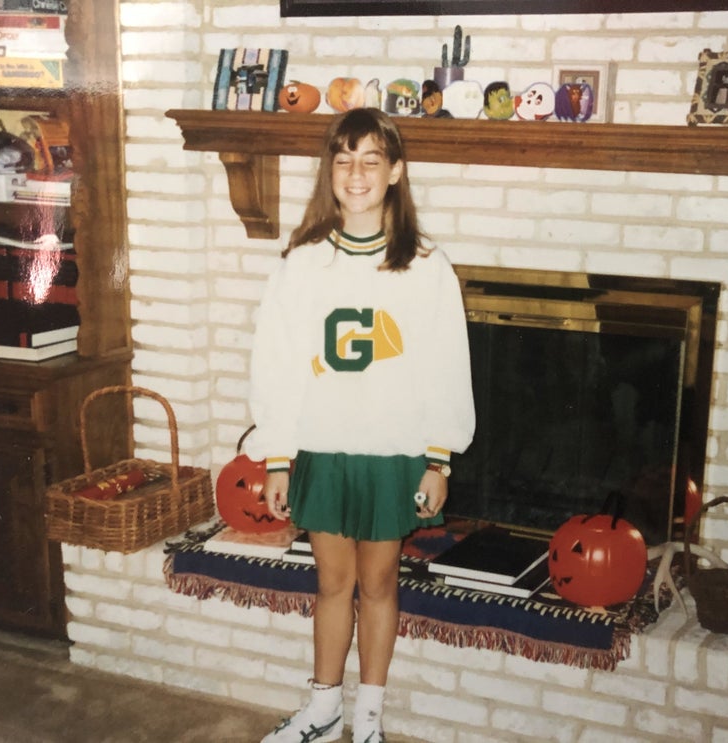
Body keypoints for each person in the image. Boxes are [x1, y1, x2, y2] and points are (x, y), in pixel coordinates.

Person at [246, 107, 475, 743]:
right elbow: (278, 363)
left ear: (395, 171)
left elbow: (446, 365)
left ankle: (368, 718)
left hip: (393, 452)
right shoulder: (303, 261)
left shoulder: (426, 265)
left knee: (378, 584)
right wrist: (276, 456)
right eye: (344, 159)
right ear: (330, 171)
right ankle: (324, 709)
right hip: (324, 447)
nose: (356, 173)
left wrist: (438, 458)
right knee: (331, 583)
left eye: (372, 159)